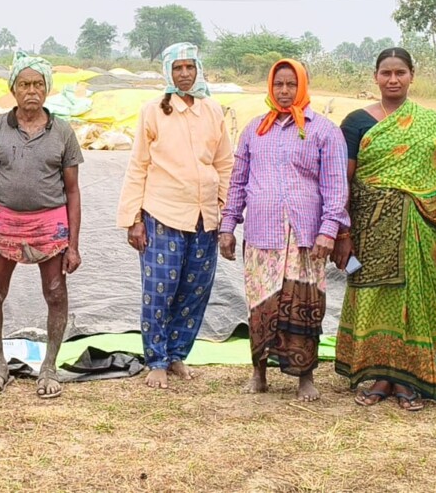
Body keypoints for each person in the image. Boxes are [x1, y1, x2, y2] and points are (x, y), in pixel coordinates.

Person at [332, 47, 436, 411]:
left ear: (411, 75)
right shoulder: (356, 121)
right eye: (385, 73)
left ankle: (408, 379)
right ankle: (380, 376)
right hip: (370, 228)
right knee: (374, 300)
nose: (392, 79)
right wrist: (343, 232)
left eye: (399, 72)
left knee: (418, 302)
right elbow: (343, 180)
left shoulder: (430, 121)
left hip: (422, 229)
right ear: (375, 77)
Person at [219, 59, 348, 401]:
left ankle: (305, 375)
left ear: (303, 86)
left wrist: (328, 230)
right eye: (279, 85)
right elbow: (238, 182)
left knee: (304, 303)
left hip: (305, 236)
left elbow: (336, 185)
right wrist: (228, 226)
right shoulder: (255, 129)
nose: (285, 91)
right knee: (262, 303)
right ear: (270, 88)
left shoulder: (323, 130)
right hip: (263, 235)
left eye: (292, 84)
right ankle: (258, 372)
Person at [117, 43, 234, 389]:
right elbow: (138, 164)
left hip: (205, 216)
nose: (184, 73)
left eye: (190, 67)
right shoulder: (153, 111)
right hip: (162, 212)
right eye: (178, 68)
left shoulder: (213, 111)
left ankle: (177, 354)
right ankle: (155, 359)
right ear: (168, 72)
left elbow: (224, 163)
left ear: (198, 69)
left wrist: (225, 209)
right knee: (159, 289)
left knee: (195, 288)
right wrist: (133, 218)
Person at [0, 52, 83, 398]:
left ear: (47, 89)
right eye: (24, 84)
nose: (31, 91)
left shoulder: (62, 131)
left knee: (55, 293)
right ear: (13, 89)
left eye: (38, 84)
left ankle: (49, 367)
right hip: (4, 222)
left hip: (49, 224)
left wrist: (74, 245)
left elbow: (73, 190)